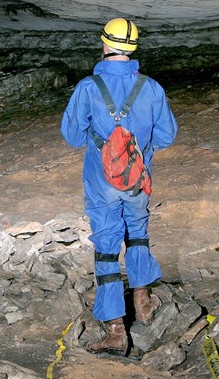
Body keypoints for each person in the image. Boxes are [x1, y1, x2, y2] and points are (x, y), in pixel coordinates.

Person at [61, 18, 178, 355]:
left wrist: (102, 146)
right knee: (138, 233)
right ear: (133, 48)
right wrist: (139, 149)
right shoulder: (152, 88)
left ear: (105, 44)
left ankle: (115, 330)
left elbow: (71, 136)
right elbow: (167, 136)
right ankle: (143, 303)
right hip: (138, 180)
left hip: (101, 183)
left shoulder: (87, 87)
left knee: (107, 246)